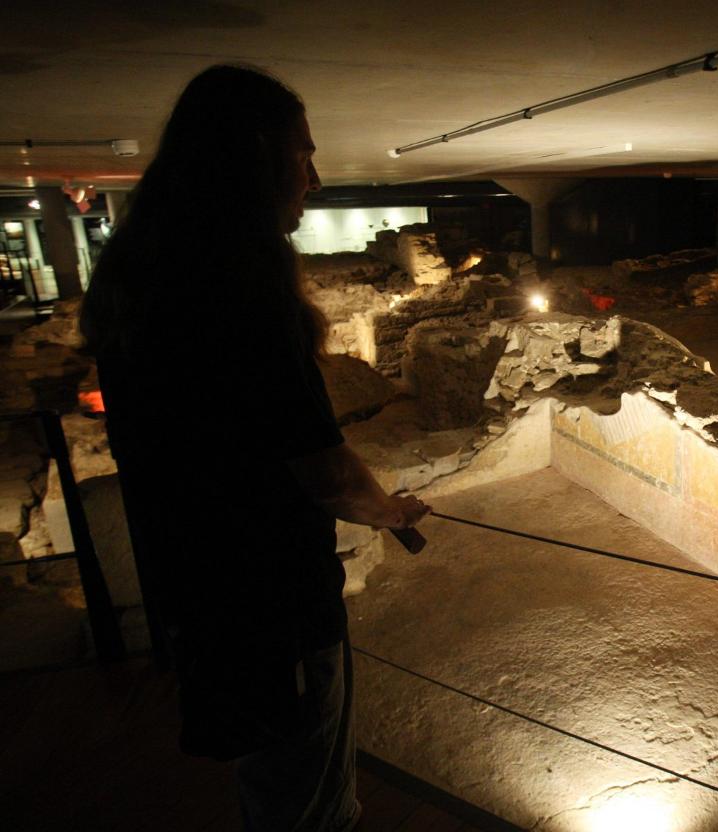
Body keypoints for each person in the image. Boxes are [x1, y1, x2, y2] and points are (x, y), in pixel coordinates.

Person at [80, 64, 429, 832]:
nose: (315, 174)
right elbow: (323, 468)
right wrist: (386, 509)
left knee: (269, 780)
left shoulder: (144, 274)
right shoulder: (239, 287)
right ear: (257, 156)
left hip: (200, 586)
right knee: (311, 798)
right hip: (270, 599)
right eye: (303, 154)